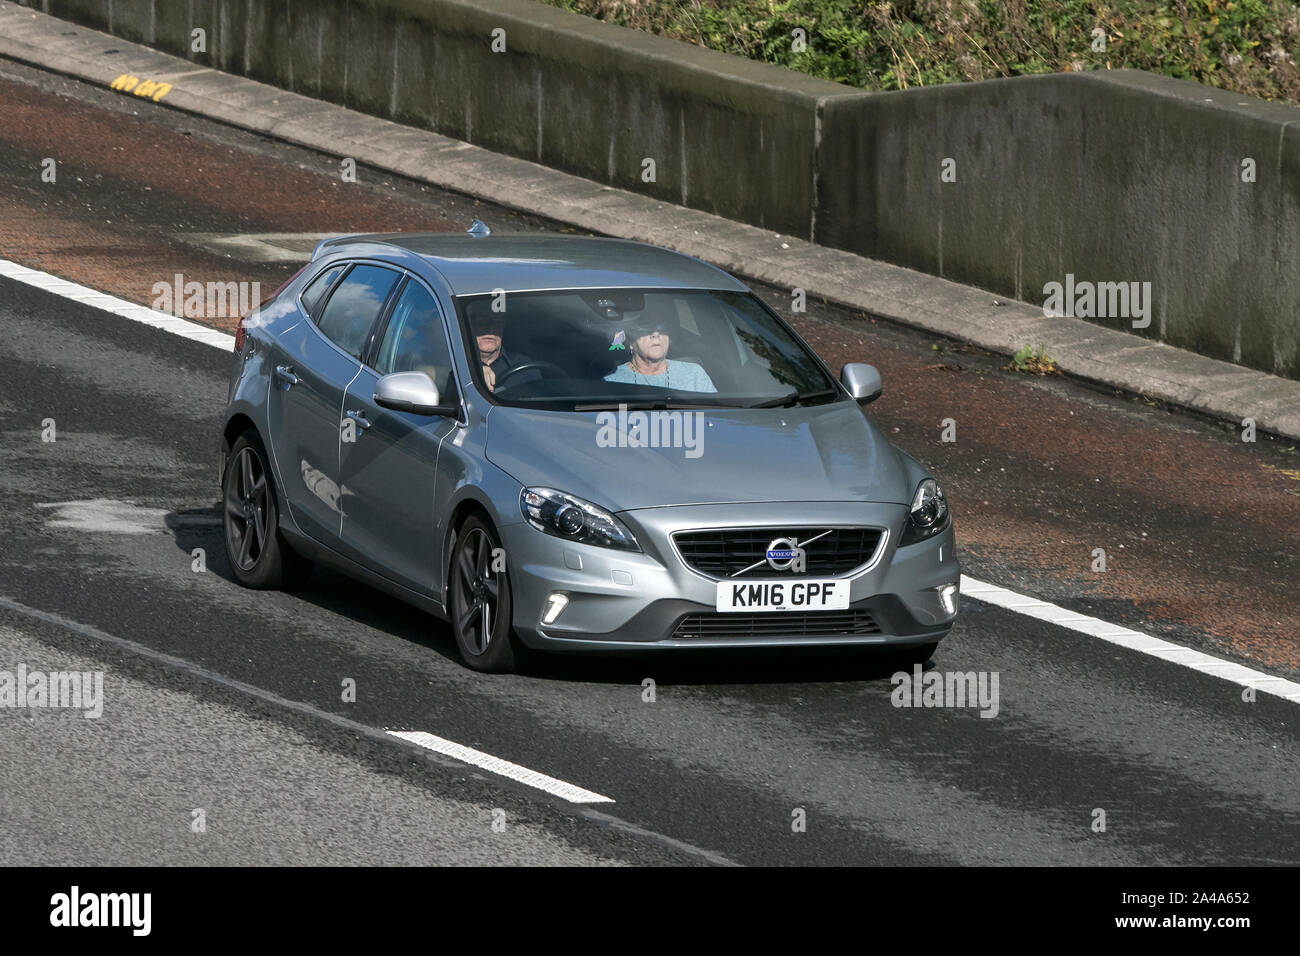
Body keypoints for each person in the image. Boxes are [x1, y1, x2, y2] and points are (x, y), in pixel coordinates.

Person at [603, 304, 715, 393]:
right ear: (630, 342)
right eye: (645, 329)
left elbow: (715, 415)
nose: (656, 334)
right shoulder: (612, 381)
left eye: (662, 328)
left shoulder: (694, 374)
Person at [468, 308, 533, 392]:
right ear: (469, 328)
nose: (490, 329)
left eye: (497, 323)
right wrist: (473, 371)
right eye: (482, 322)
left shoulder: (524, 365)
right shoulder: (458, 366)